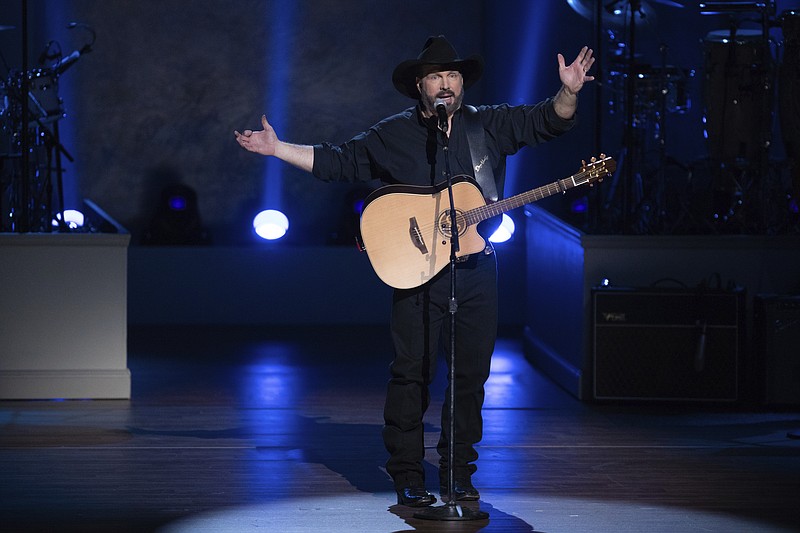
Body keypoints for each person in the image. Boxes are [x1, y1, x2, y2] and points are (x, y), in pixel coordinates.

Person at [235, 35, 594, 507]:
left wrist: (567, 91)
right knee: (412, 373)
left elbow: (549, 121)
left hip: (476, 270)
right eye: (435, 77)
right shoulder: (394, 133)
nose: (446, 84)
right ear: (419, 86)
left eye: (453, 75)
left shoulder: (487, 125)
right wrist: (279, 149)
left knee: (470, 376)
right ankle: (407, 472)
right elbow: (340, 161)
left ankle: (457, 472)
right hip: (418, 271)